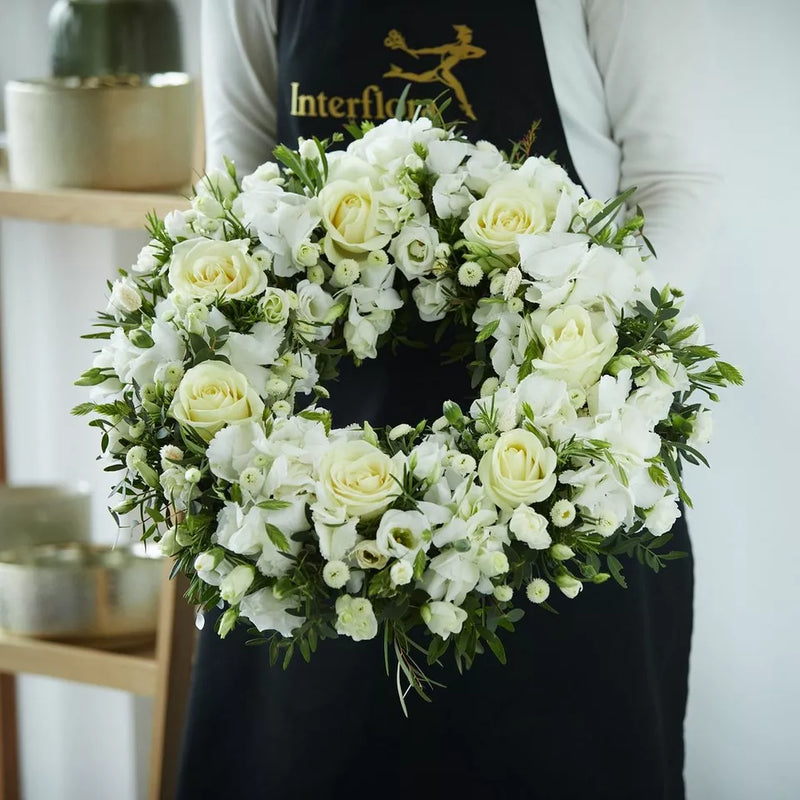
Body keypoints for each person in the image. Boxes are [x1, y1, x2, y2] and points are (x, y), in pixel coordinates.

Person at [178, 2, 719, 798]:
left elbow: (676, 184)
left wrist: (587, 348)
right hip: (313, 487)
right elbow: (241, 179)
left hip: (560, 478)